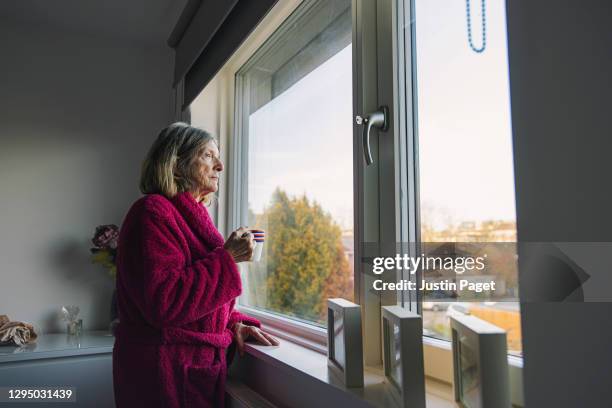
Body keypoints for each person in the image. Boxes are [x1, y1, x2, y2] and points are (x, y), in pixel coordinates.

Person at [112, 122, 278, 408]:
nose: (221, 166)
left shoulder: (191, 216)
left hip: (192, 367)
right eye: (208, 155)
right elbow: (165, 303)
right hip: (158, 371)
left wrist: (233, 321)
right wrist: (229, 258)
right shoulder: (152, 213)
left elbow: (197, 301)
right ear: (176, 166)